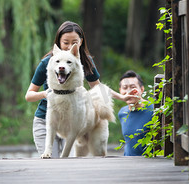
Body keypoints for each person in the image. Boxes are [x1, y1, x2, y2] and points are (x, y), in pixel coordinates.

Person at [25, 21, 137, 157]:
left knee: (69, 167)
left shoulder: (85, 60)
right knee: (50, 165)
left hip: (74, 123)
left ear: (81, 42)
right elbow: (29, 95)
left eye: (74, 42)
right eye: (65, 42)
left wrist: (121, 97)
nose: (69, 46)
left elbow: (98, 87)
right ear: (58, 41)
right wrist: (45, 94)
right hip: (45, 121)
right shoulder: (48, 62)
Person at [118, 70, 154, 156]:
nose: (128, 91)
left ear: (141, 89)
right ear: (120, 91)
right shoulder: (122, 112)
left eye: (132, 87)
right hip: (128, 164)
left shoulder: (153, 110)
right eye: (125, 87)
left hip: (151, 164)